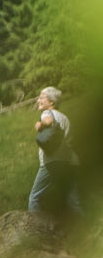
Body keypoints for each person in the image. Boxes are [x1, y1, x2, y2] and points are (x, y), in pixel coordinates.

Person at [28, 86, 82, 220]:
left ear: (51, 102)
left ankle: (34, 231)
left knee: (34, 197)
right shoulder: (65, 118)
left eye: (41, 97)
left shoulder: (47, 113)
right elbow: (70, 140)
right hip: (69, 161)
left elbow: (49, 121)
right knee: (73, 200)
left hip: (52, 162)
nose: (38, 100)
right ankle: (85, 224)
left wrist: (41, 124)